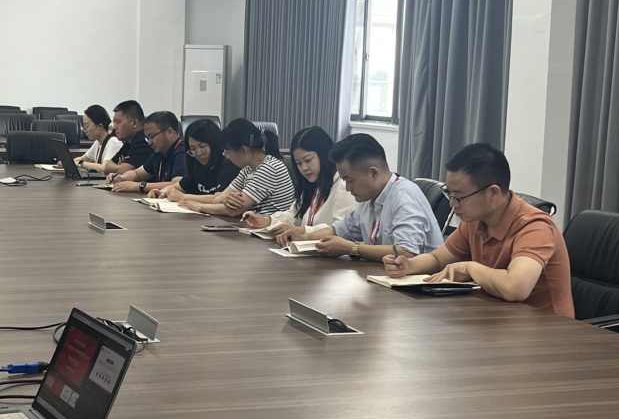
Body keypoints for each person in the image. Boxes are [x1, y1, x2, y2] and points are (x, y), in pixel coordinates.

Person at [383, 143, 574, 317]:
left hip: (546, 330)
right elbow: (438, 259)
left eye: (459, 196)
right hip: (497, 317)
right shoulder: (476, 220)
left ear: (493, 193)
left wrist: (470, 267)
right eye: (449, 193)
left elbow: (515, 288)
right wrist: (409, 265)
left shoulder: (535, 226)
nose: (452, 204)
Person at [290, 133, 443, 260]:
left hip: (421, 282)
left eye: (350, 180)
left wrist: (352, 248)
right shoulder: (369, 197)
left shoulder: (404, 196)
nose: (348, 188)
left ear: (373, 173)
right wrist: (304, 237)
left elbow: (406, 252)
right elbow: (338, 230)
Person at [241, 126, 355, 245]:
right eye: (299, 163)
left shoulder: (343, 186)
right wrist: (267, 220)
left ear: (323, 155)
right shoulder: (314, 183)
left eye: (308, 160)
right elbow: (295, 215)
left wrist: (302, 231)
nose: (304, 168)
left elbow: (342, 229)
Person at [179, 118, 295, 217]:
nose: (227, 157)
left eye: (228, 152)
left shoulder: (269, 168)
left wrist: (200, 207)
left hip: (271, 230)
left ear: (243, 150)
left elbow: (234, 210)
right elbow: (218, 199)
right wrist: (225, 198)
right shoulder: (248, 169)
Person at [152, 119, 240, 201]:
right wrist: (162, 192)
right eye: (193, 149)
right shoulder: (198, 166)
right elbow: (176, 187)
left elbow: (219, 199)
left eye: (202, 146)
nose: (198, 153)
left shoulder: (228, 165)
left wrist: (184, 197)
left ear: (214, 144)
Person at [108, 111, 186, 194]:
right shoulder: (159, 152)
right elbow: (137, 174)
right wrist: (121, 177)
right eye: (147, 138)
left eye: (152, 136)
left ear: (169, 132)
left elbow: (177, 185)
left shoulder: (182, 151)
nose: (149, 142)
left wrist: (140, 186)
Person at [102, 100, 152, 175]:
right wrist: (121, 167)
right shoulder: (129, 141)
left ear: (134, 123)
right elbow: (107, 167)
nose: (114, 127)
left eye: (118, 122)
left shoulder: (142, 139)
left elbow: (123, 172)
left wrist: (122, 167)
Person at [73, 104, 122, 172]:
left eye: (87, 126)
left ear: (100, 126)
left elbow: (104, 167)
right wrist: (69, 162)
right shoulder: (98, 142)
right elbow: (83, 158)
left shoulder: (113, 142)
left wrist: (81, 164)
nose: (84, 130)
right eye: (83, 127)